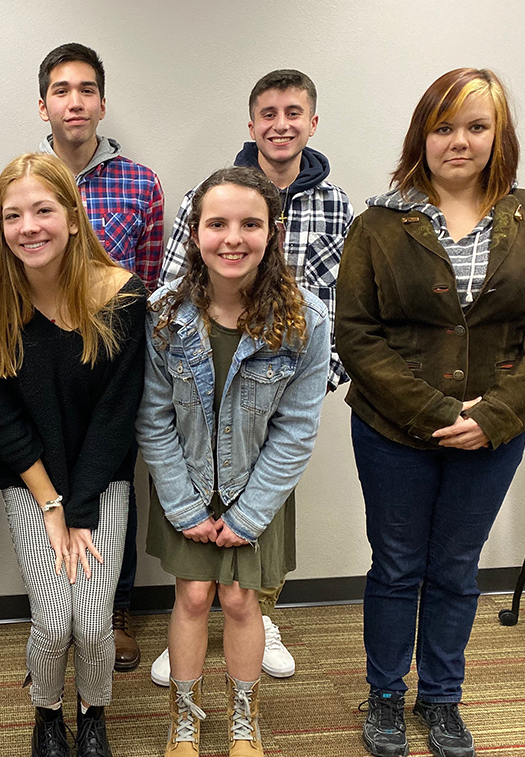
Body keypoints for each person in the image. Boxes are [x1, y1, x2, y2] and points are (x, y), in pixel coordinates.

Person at [335, 68, 525, 757]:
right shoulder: (379, 223)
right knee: (396, 565)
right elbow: (357, 333)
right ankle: (386, 695)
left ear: (498, 135)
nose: (459, 140)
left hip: (496, 432)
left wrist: (500, 412)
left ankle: (442, 698)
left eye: (476, 126)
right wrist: (438, 411)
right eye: (444, 126)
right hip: (393, 429)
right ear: (422, 133)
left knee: (456, 566)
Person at [153, 69, 353, 684]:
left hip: (284, 377)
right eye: (268, 113)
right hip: (203, 375)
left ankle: (259, 619)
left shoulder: (337, 203)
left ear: (312, 123)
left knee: (253, 546)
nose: (281, 124)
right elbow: (172, 286)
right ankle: (192, 624)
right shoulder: (207, 197)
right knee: (195, 579)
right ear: (252, 124)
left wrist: (312, 382)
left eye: (294, 112)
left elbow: (345, 299)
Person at [0, 153, 146, 757]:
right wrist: (52, 504)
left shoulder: (120, 295)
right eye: (13, 215)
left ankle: (93, 711)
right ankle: (47, 710)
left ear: (72, 214)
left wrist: (81, 506)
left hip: (100, 478)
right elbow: (3, 423)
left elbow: (119, 416)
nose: (29, 227)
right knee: (52, 618)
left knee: (93, 623)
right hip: (32, 481)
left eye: (43, 210)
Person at [137, 166, 329, 756]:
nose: (233, 238)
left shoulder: (305, 321)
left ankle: (244, 722)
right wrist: (181, 502)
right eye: (217, 224)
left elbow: (296, 432)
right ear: (195, 233)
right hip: (185, 483)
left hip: (258, 488)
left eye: (250, 224)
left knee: (243, 600)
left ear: (272, 232)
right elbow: (153, 418)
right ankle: (185, 722)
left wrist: (248, 515)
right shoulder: (164, 316)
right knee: (193, 595)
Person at [37, 41, 165, 671]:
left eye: (86, 89)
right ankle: (59, 604)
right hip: (44, 360)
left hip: (114, 362)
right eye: (62, 90)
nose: (75, 101)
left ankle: (114, 613)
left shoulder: (139, 183)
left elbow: (150, 284)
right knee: (51, 477)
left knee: (117, 482)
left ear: (102, 102)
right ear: (43, 105)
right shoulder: (26, 177)